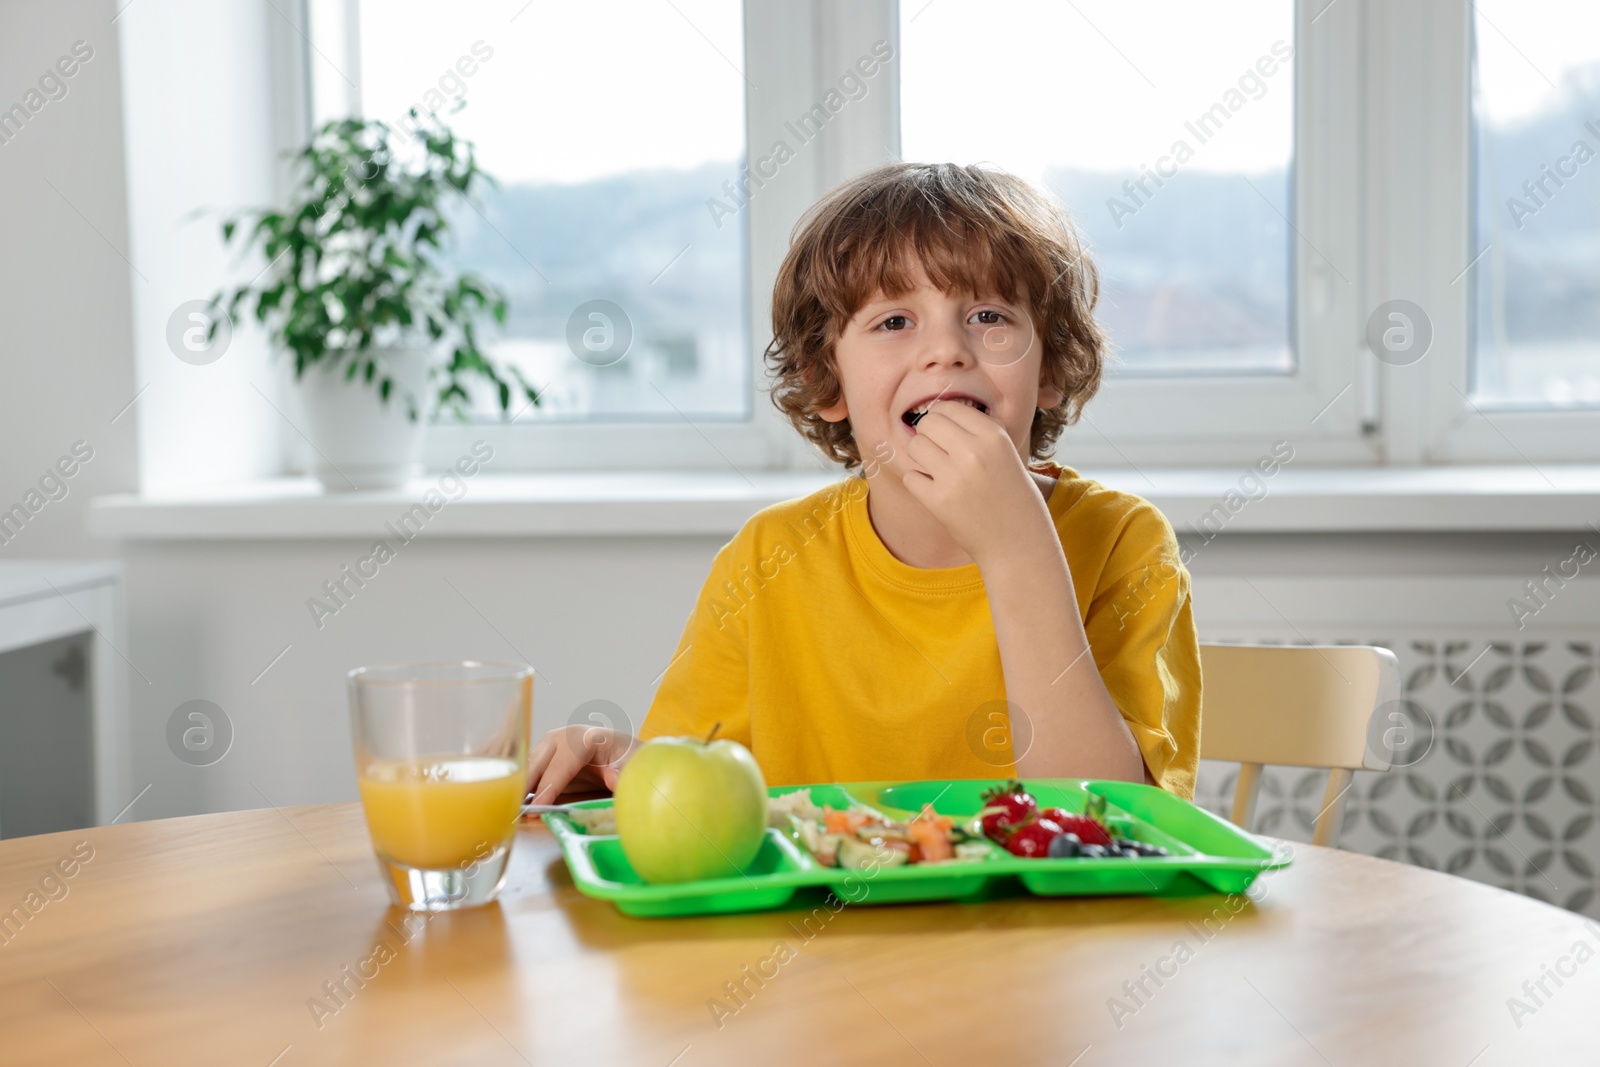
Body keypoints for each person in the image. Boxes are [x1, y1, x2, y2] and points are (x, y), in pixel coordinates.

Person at [527, 162, 1200, 803]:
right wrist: (624, 764)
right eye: (894, 321)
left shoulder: (1124, 543)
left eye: (989, 315)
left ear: (1049, 369)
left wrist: (1018, 547)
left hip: (1046, 927)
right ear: (828, 382)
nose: (947, 349)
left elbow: (1109, 825)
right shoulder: (767, 560)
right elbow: (697, 797)